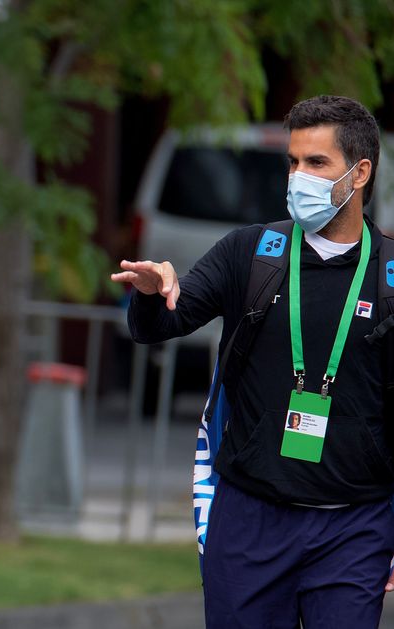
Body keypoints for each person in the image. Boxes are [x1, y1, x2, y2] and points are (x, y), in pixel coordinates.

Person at [112, 95, 394, 628]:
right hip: (249, 519)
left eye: (317, 163)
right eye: (293, 162)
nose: (299, 177)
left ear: (360, 173)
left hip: (354, 527)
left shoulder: (388, 276)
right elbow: (161, 325)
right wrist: (152, 293)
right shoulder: (250, 252)